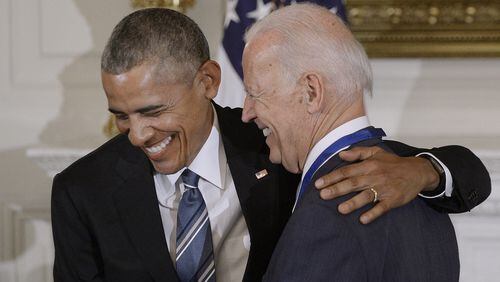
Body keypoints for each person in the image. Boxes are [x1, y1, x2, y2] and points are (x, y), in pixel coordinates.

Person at [51, 8, 489, 282]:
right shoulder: (82, 190)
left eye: (153, 111)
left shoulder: (278, 147)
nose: (138, 135)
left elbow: (465, 170)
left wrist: (425, 170)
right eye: (121, 116)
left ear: (207, 81)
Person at [241, 3, 465, 281]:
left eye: (255, 94)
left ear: (312, 92)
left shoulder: (327, 211)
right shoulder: (424, 193)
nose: (246, 112)